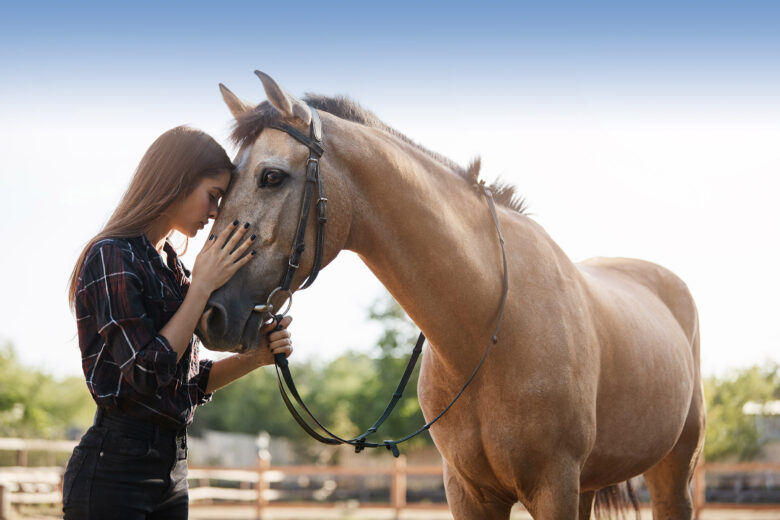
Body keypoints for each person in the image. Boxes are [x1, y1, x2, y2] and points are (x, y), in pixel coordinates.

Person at [63, 125, 292, 519]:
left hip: (172, 470)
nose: (215, 213)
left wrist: (256, 357)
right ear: (176, 183)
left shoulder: (171, 267)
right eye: (213, 196)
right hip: (115, 470)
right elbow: (146, 370)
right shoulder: (111, 256)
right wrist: (201, 287)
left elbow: (185, 384)